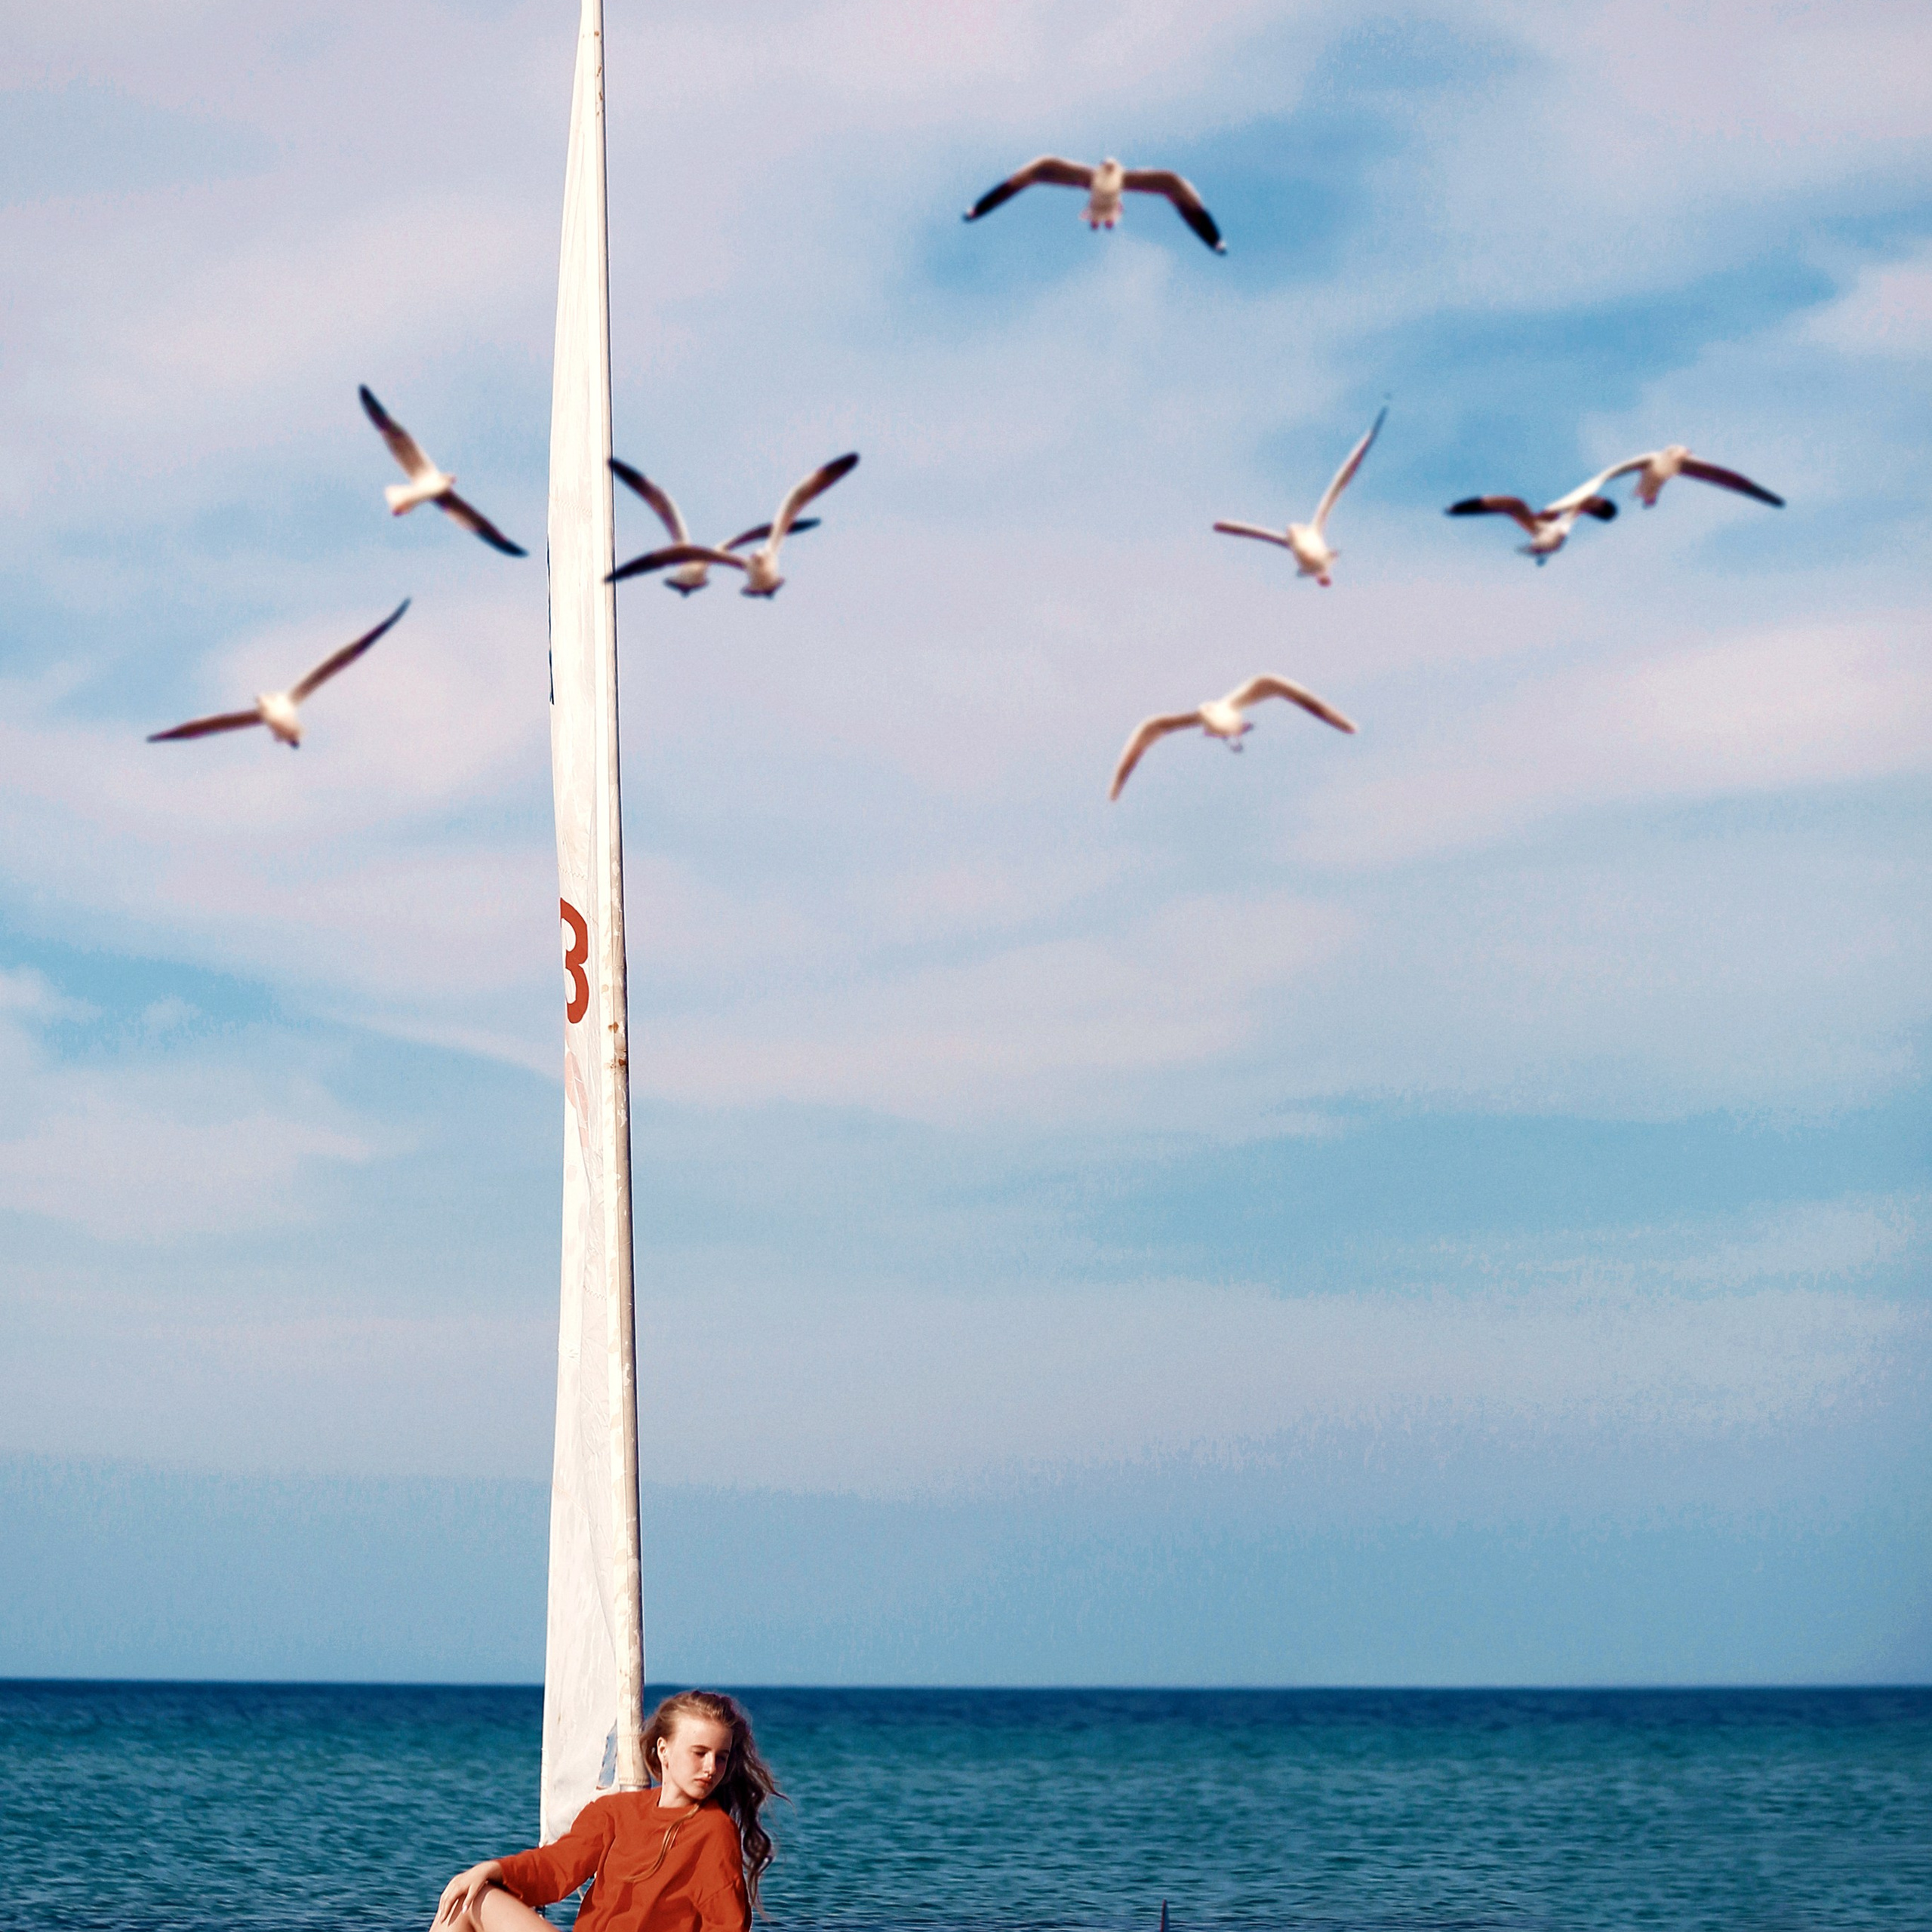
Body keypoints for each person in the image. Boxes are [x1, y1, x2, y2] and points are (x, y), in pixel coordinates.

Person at [432, 1690, 782, 1932]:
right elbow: (555, 1869)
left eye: (721, 1757)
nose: (711, 1767)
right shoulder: (616, 1811)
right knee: (466, 1898)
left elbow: (726, 1924)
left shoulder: (714, 1830)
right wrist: (490, 1869)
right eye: (699, 1752)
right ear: (664, 1749)